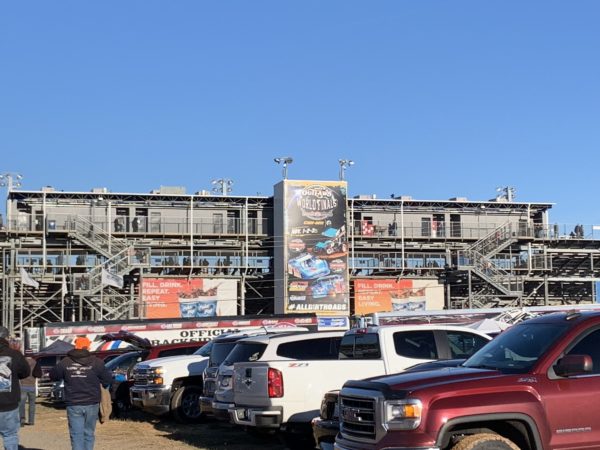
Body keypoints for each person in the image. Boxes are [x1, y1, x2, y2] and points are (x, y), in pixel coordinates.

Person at [50, 339, 112, 450]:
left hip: (73, 403)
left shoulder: (66, 362)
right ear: (88, 347)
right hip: (92, 402)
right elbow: (107, 379)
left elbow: (53, 375)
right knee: (89, 433)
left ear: (75, 346)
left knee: (76, 435)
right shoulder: (96, 362)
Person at [0, 326, 31, 450]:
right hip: (9, 402)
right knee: (10, 436)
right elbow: (25, 372)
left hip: (8, 402)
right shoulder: (14, 354)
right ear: (7, 338)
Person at [19, 354, 41, 426]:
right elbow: (39, 374)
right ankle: (31, 421)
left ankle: (22, 420)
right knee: (32, 404)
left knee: (22, 404)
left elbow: (18, 373)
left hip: (23, 385)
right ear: (31, 355)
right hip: (32, 386)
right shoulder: (35, 362)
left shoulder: (22, 362)